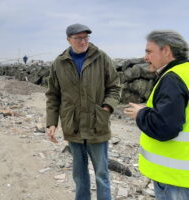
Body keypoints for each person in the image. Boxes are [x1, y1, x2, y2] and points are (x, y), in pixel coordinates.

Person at [46, 23, 121, 200]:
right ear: (68, 40)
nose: (83, 41)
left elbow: (115, 87)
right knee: (79, 176)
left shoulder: (101, 58)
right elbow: (53, 95)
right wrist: (51, 122)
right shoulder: (59, 63)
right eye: (78, 38)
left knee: (102, 175)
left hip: (97, 125)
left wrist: (107, 108)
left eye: (86, 37)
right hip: (73, 126)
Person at [124, 30, 189, 200]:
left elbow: (165, 127)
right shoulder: (186, 72)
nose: (145, 58)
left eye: (149, 51)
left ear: (166, 50)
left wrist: (141, 113)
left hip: (175, 177)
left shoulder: (172, 79)